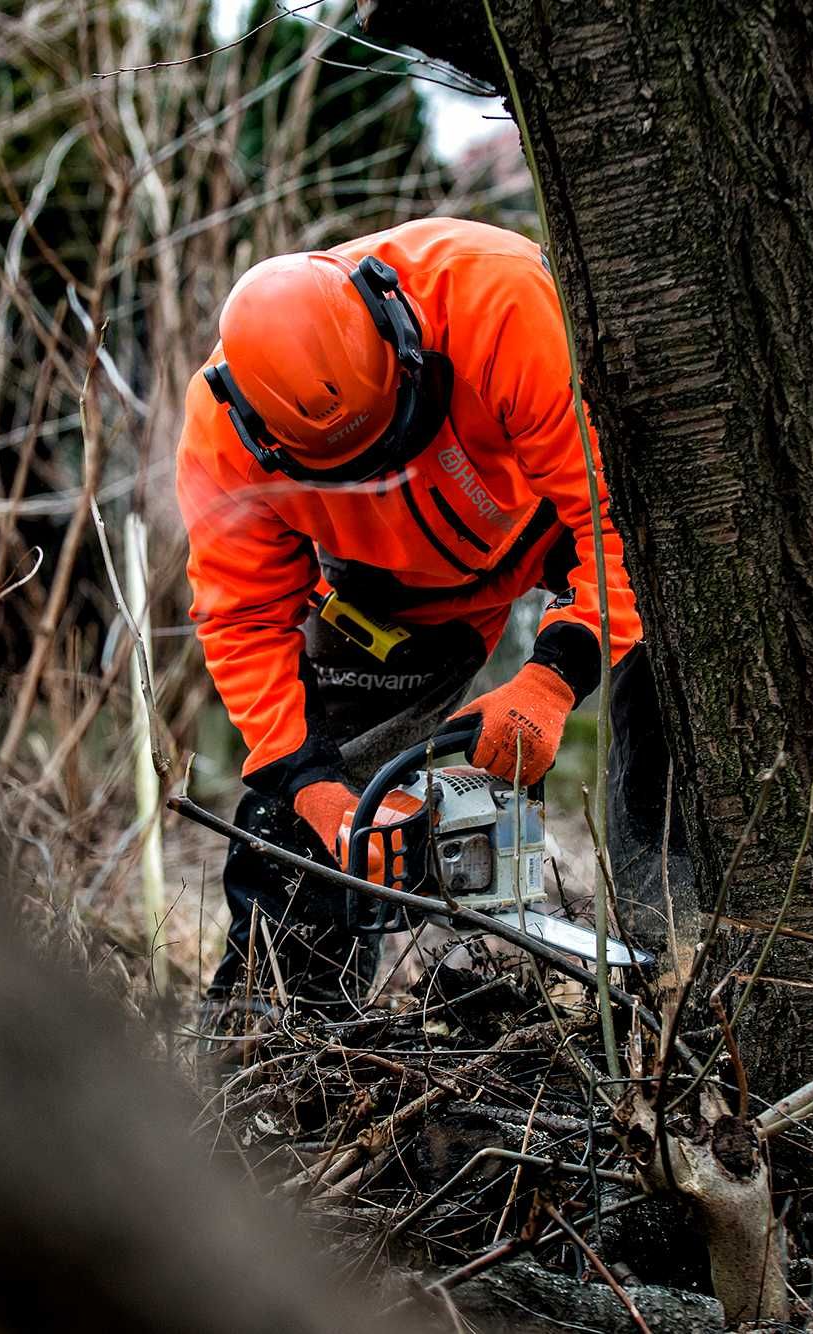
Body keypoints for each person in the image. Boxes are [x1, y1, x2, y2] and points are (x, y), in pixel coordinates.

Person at [176, 217, 687, 1015]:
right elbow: (240, 616)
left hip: (549, 516)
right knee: (315, 777)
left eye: (396, 435)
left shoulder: (498, 297)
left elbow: (618, 514)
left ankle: (679, 948)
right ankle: (273, 1023)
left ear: (396, 327)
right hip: (391, 584)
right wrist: (306, 777)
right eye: (360, 469)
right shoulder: (221, 445)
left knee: (677, 644)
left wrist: (556, 675)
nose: (392, 467)